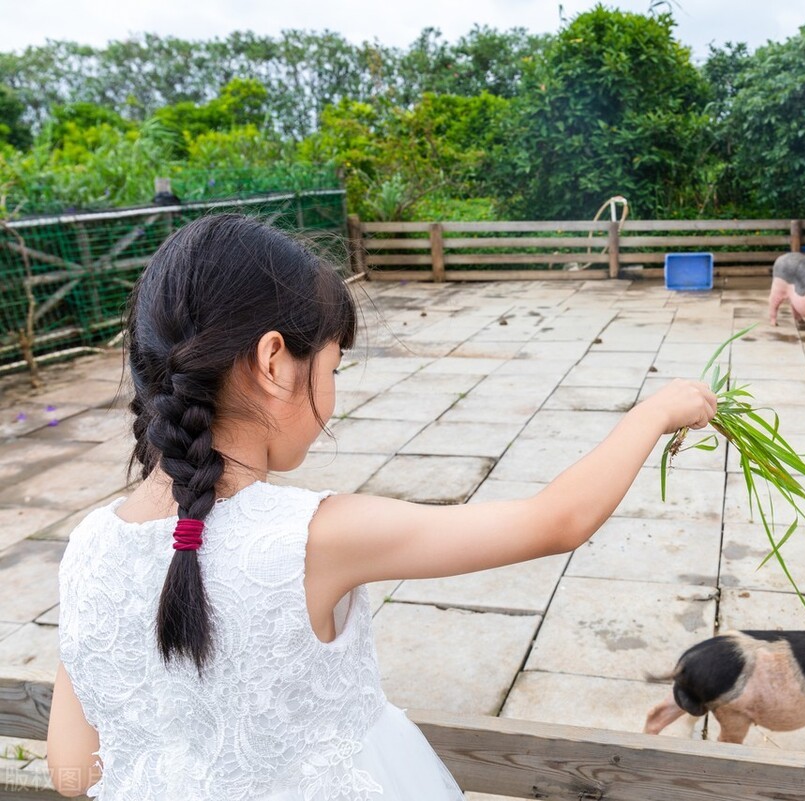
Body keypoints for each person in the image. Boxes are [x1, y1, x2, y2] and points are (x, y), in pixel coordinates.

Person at [45, 213, 718, 800]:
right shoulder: (313, 538)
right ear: (275, 360)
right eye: (333, 368)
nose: (332, 395)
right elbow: (556, 520)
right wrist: (655, 413)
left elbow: (71, 767)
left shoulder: (87, 548)